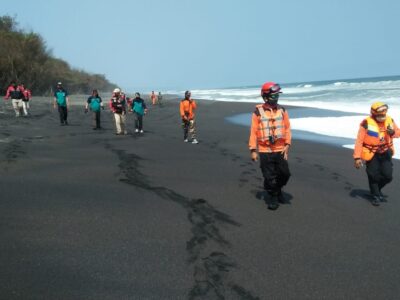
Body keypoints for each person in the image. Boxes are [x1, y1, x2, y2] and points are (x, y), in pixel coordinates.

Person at [249, 82, 291, 210]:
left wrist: (287, 145)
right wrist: (253, 150)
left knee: (285, 174)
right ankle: (273, 196)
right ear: (266, 97)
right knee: (269, 176)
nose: (276, 98)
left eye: (278, 95)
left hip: (280, 149)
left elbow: (288, 129)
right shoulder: (257, 112)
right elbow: (253, 131)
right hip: (265, 150)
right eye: (274, 95)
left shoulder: (282, 110)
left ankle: (277, 189)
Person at [353, 102, 400, 206]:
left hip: (386, 152)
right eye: (380, 114)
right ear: (373, 113)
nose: (383, 116)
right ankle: (375, 195)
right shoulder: (366, 123)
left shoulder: (390, 120)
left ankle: (376, 190)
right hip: (371, 153)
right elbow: (359, 141)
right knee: (373, 175)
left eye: (384, 113)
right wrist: (357, 158)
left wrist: (393, 133)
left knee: (388, 176)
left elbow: (398, 132)